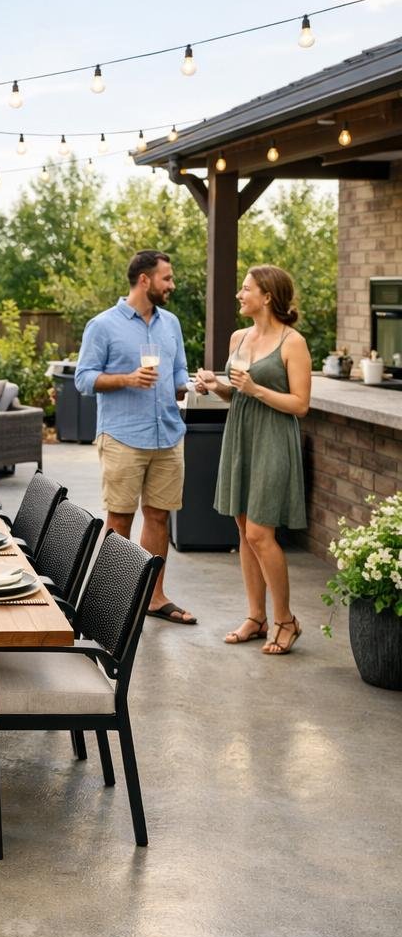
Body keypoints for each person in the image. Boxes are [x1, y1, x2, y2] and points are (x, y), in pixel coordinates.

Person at [75, 250, 195, 624]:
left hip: (168, 435)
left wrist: (190, 384)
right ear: (145, 280)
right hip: (123, 436)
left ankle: (154, 598)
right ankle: (112, 600)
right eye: (167, 278)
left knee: (158, 517)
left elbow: (179, 372)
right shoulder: (103, 325)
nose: (172, 285)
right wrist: (128, 378)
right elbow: (83, 379)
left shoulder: (170, 323)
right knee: (121, 518)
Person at [195, 265, 310, 655]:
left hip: (274, 439)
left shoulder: (293, 342)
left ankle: (286, 619)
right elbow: (236, 393)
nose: (240, 295)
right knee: (243, 529)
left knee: (262, 533)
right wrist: (217, 386)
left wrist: (255, 388)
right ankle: (256, 616)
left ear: (267, 297)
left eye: (246, 289)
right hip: (240, 435)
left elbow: (300, 404)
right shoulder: (239, 337)